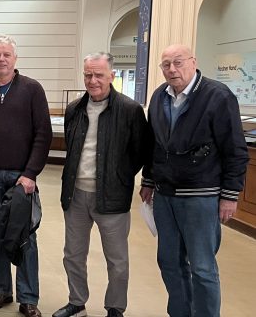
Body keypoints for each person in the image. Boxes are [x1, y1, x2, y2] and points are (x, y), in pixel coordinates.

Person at [139, 44, 248, 317]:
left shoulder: (217, 96)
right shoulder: (159, 97)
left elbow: (235, 149)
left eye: (178, 62)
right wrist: (149, 180)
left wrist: (230, 195)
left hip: (201, 196)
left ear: (193, 62)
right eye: (166, 64)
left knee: (202, 267)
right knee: (169, 263)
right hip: (165, 196)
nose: (172, 69)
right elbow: (153, 144)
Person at [52, 53, 151, 317]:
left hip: (112, 197)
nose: (93, 80)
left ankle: (115, 308)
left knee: (117, 261)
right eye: (88, 75)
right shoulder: (74, 109)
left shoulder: (130, 110)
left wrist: (118, 177)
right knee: (73, 254)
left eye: (99, 75)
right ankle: (77, 303)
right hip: (76, 195)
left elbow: (141, 152)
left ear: (112, 76)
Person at [0, 34, 51, 317]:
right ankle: (2, 290)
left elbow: (43, 135)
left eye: (6, 54)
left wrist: (30, 174)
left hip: (22, 177)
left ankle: (28, 297)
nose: (1, 59)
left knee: (25, 234)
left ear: (15, 59)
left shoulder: (32, 89)